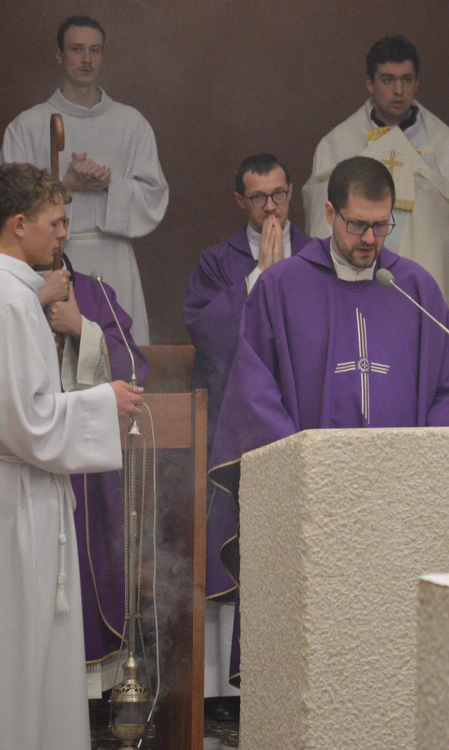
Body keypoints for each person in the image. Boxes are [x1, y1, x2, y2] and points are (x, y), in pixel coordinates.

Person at [209, 156, 449, 684]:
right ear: (329, 213)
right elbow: (253, 393)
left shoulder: (415, 288)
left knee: (391, 653)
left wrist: (423, 465)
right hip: (314, 501)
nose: (370, 239)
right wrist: (305, 467)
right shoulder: (282, 287)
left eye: (382, 225)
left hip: (398, 503)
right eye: (357, 224)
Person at [0, 163, 143, 750]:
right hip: (16, 498)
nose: (64, 233)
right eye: (56, 222)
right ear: (19, 224)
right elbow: (30, 421)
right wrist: (104, 402)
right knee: (19, 651)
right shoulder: (10, 303)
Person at [181, 153, 312, 716]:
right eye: (259, 198)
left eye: (279, 194)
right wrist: (258, 277)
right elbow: (207, 334)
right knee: (236, 541)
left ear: (292, 192)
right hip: (237, 426)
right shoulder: (218, 262)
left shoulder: (317, 254)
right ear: (240, 201)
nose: (271, 208)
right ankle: (226, 688)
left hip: (302, 418)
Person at [0, 14, 169, 345]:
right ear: (59, 55)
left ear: (103, 56)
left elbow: (154, 196)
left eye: (95, 50)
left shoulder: (131, 123)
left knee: (117, 355)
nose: (86, 59)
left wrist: (109, 185)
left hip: (114, 259)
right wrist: (65, 186)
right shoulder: (28, 125)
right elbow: (6, 204)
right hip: (51, 261)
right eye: (76, 49)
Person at [302, 35, 449, 306]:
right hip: (354, 278)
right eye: (388, 80)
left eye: (406, 80)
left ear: (417, 83)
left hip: (415, 274)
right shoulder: (338, 142)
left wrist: (421, 184)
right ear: (370, 84)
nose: (398, 90)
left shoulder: (442, 142)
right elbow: (320, 207)